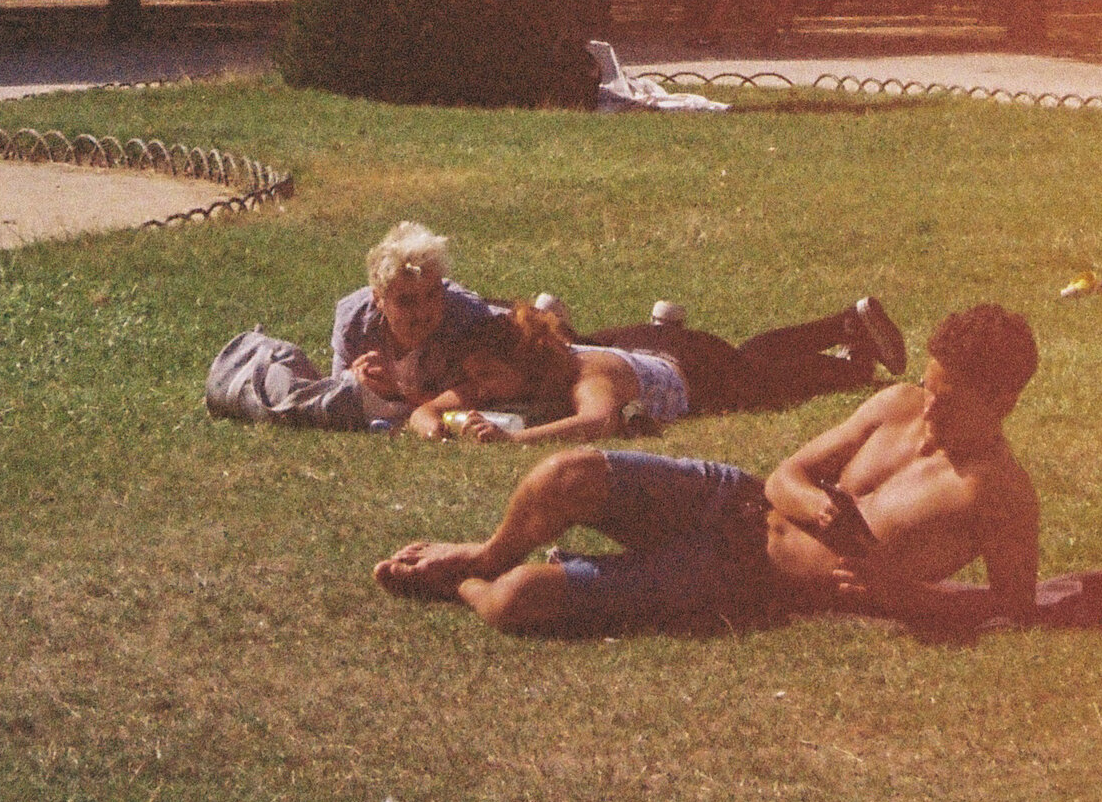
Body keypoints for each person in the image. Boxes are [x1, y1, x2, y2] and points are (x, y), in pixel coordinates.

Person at [375, 302, 1042, 637]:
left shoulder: (998, 495)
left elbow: (1013, 606)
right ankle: (485, 549)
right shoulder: (896, 404)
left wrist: (901, 596)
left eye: (948, 403)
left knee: (519, 599)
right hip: (732, 499)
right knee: (566, 473)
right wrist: (811, 503)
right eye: (928, 387)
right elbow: (786, 474)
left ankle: (461, 581)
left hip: (742, 577)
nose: (928, 409)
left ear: (1002, 401)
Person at [410, 292, 910, 444]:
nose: (478, 389)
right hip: (640, 340)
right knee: (753, 355)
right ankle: (845, 333)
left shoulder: (589, 377)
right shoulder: (513, 372)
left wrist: (513, 440)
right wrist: (435, 428)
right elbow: (431, 407)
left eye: (486, 378)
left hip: (690, 365)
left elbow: (597, 422)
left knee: (761, 377)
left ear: (529, 365)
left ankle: (848, 351)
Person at [331, 222, 497, 414]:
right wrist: (353, 380)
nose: (421, 313)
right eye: (406, 301)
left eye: (432, 294)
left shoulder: (468, 320)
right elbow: (336, 391)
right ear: (379, 299)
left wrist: (398, 393)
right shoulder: (354, 321)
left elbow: (485, 392)